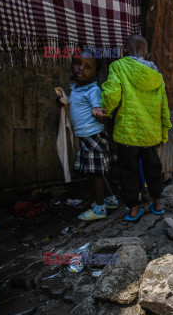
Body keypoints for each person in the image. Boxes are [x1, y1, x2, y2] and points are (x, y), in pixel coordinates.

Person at [98, 34, 171, 221]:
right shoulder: (157, 76)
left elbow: (112, 94)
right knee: (153, 169)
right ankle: (157, 203)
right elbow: (164, 106)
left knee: (128, 171)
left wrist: (104, 110)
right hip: (150, 133)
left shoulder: (118, 67)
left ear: (125, 51)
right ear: (147, 54)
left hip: (127, 133)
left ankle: (133, 208)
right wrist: (163, 133)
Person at [59, 50, 118, 221]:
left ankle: (100, 209)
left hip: (93, 136)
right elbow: (71, 104)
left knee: (96, 174)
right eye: (77, 63)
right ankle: (111, 199)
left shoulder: (93, 90)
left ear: (95, 72)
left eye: (87, 66)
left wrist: (98, 111)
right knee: (98, 172)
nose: (80, 69)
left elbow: (98, 107)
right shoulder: (75, 88)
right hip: (85, 136)